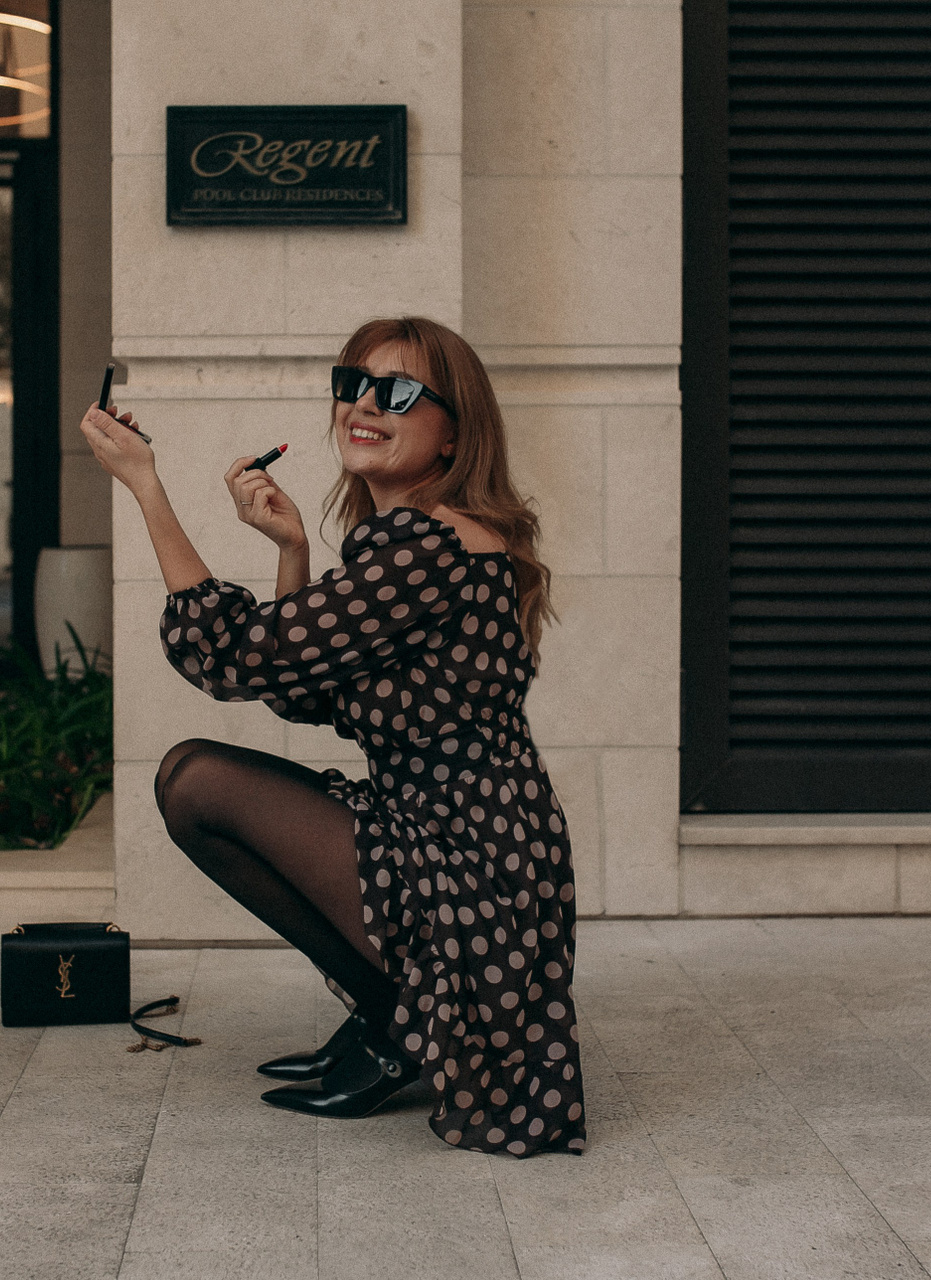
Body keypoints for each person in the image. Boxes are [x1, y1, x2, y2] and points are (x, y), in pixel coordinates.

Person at [78, 316, 584, 1158]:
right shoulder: (415, 542)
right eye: (353, 384)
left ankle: (393, 1027)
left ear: (454, 430)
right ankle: (394, 1019)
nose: (365, 404)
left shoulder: (426, 548)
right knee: (191, 780)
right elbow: (303, 690)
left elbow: (233, 656)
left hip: (471, 866)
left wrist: (145, 488)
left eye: (399, 391)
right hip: (455, 838)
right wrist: (291, 550)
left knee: (195, 781)